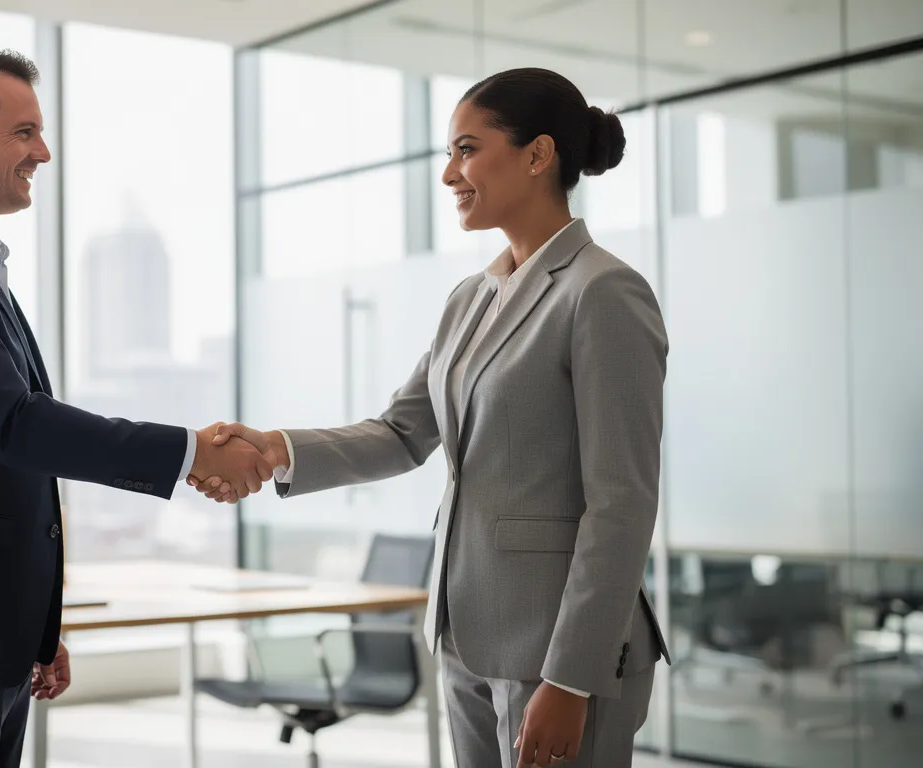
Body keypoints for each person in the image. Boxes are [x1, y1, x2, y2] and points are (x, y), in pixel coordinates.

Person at [194, 68, 671, 767]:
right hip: (467, 634)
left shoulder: (603, 291)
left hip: (562, 650)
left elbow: (622, 501)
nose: (450, 173)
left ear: (538, 156)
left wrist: (571, 675)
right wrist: (275, 449)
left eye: (467, 149)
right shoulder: (470, 298)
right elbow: (402, 433)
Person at [0, 46, 270, 767]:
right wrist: (192, 451)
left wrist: (33, 624)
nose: (45, 151)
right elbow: (16, 427)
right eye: (24, 132)